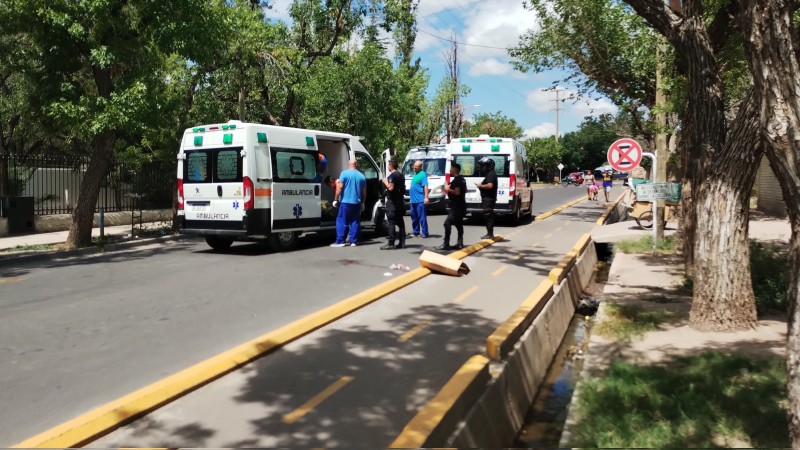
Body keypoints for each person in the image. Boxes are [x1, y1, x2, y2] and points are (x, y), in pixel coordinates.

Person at [331, 159, 366, 247]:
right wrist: (363, 202)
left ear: (348, 164)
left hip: (345, 202)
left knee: (342, 221)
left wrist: (335, 199)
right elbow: (364, 192)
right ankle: (353, 241)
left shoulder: (344, 174)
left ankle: (340, 241)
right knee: (355, 222)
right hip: (357, 203)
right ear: (356, 164)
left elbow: (340, 187)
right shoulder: (361, 176)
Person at [436, 162, 467, 251]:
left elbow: (457, 192)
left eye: (451, 168)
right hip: (460, 205)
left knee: (447, 223)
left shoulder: (457, 180)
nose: (450, 170)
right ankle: (460, 243)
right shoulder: (462, 179)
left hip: (457, 206)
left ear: (455, 169)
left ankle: (446, 244)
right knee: (458, 224)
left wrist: (447, 189)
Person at [380, 160, 406, 250]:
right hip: (399, 201)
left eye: (388, 165)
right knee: (400, 223)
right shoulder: (401, 175)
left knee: (391, 223)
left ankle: (391, 243)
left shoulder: (392, 176)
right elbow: (403, 189)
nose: (388, 167)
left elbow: (390, 188)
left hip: (392, 203)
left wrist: (385, 182)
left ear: (391, 166)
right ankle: (402, 242)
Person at [475, 156, 498, 240]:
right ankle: (489, 233)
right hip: (487, 198)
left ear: (488, 166)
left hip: (489, 198)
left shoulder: (491, 174)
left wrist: (481, 185)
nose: (482, 168)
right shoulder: (489, 174)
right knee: (487, 214)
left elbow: (490, 185)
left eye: (483, 166)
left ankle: (490, 234)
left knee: (488, 214)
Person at [409, 160, 430, 238]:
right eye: (414, 166)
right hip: (413, 201)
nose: (414, 167)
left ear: (420, 167)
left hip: (420, 200)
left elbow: (425, 186)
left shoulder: (422, 174)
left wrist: (426, 197)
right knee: (413, 217)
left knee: (422, 217)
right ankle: (416, 231)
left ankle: (425, 233)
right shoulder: (415, 174)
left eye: (416, 166)